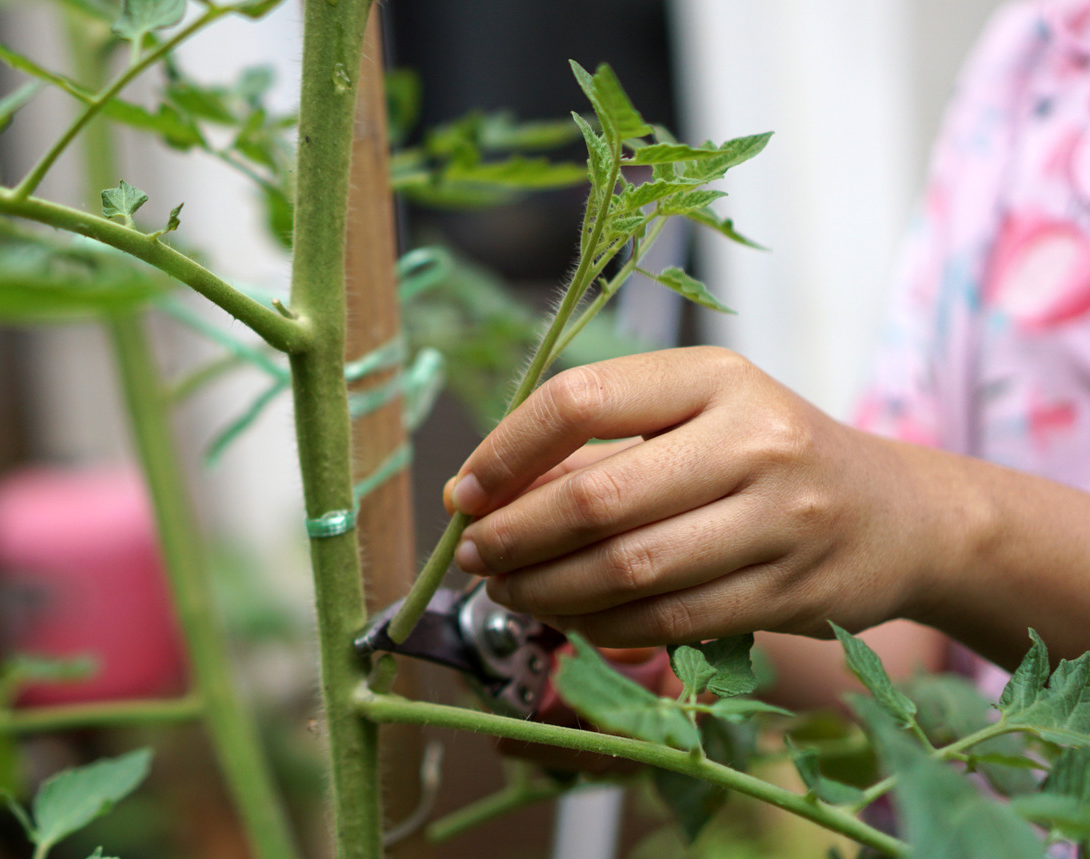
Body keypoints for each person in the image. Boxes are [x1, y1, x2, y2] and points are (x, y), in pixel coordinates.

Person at [443, 1, 1090, 716]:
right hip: (973, 826)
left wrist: (931, 515)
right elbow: (925, 641)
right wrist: (680, 631)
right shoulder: (1040, 50)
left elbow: (930, 536)